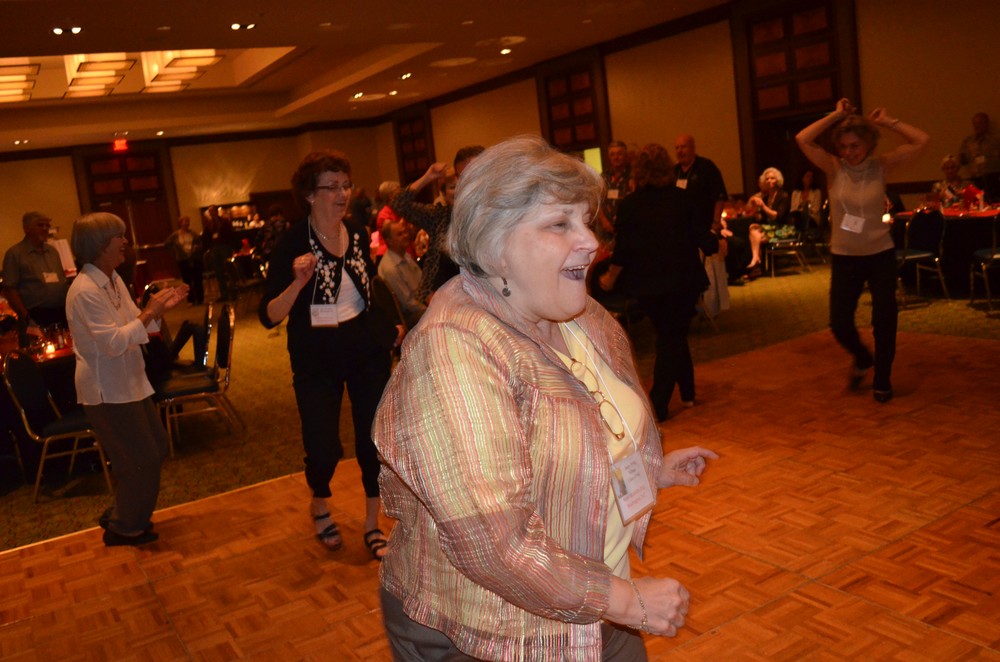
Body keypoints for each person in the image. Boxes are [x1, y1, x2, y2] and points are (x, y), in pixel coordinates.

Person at [373, 135, 718, 661]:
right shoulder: (454, 350)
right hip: (486, 629)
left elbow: (574, 435)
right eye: (560, 224)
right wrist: (626, 601)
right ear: (495, 246)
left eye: (586, 220)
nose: (591, 241)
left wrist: (646, 467)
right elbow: (494, 543)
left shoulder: (577, 313)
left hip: (586, 596)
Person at [259, 150, 398, 560]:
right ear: (309, 194)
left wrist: (390, 325)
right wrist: (298, 283)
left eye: (346, 185)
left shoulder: (356, 232)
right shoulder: (291, 244)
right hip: (316, 355)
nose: (342, 194)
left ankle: (372, 523)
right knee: (323, 449)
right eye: (332, 187)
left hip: (365, 348)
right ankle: (320, 502)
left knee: (373, 441)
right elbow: (269, 315)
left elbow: (369, 284)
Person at [65, 212, 189, 546]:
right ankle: (123, 526)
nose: (125, 242)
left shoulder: (112, 280)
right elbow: (113, 343)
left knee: (155, 447)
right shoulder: (84, 290)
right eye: (118, 236)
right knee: (139, 458)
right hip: (106, 389)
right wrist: (150, 312)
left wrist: (159, 310)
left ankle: (123, 513)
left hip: (130, 381)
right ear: (99, 244)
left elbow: (135, 325)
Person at [796, 98, 929, 403]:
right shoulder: (833, 167)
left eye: (854, 145)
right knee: (839, 323)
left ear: (868, 144)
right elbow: (803, 139)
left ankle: (883, 379)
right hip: (845, 257)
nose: (848, 152)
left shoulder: (881, 166)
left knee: (885, 320)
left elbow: (922, 140)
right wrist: (836, 115)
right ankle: (863, 357)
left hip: (880, 254)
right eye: (843, 146)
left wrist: (888, 122)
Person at [599, 143, 709, 422]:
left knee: (671, 334)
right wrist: (715, 243)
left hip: (648, 285)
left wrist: (611, 277)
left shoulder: (630, 205)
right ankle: (659, 405)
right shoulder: (682, 199)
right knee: (672, 336)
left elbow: (623, 249)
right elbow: (701, 236)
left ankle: (687, 393)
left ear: (638, 170)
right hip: (683, 281)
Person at [391, 145, 484, 303]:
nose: (459, 188)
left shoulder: (489, 215)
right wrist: (428, 176)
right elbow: (399, 204)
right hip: (436, 297)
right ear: (444, 193)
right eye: (453, 186)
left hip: (475, 299)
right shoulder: (439, 216)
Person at [2, 211, 69, 345]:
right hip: (34, 317)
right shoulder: (15, 254)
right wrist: (26, 317)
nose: (45, 229)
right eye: (40, 225)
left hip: (60, 314)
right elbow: (9, 290)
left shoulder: (52, 252)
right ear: (26, 229)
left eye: (47, 225)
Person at [377, 219, 425, 328]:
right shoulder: (390, 268)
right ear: (389, 241)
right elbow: (408, 303)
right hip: (409, 316)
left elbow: (422, 281)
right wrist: (433, 308)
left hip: (421, 303)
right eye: (399, 234)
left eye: (404, 232)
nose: (405, 236)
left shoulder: (404, 255)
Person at [746, 167, 791, 272]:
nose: (769, 181)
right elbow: (763, 218)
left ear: (777, 180)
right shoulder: (766, 197)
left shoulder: (783, 195)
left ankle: (757, 265)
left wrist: (763, 206)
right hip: (770, 228)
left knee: (755, 239)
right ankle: (756, 260)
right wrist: (756, 211)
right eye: (767, 179)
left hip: (783, 228)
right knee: (753, 228)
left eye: (772, 178)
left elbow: (777, 216)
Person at [958, 112, 1000, 199]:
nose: (977, 126)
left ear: (986, 124)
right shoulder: (968, 142)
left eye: (980, 123)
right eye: (975, 124)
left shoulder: (996, 141)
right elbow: (961, 160)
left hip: (994, 179)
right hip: (976, 180)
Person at [598, 140, 634, 240]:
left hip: (628, 228)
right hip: (606, 229)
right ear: (609, 157)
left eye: (619, 154)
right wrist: (604, 221)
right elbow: (597, 201)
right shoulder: (604, 177)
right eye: (612, 154)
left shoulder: (633, 176)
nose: (616, 157)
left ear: (625, 156)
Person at [165, 215, 204, 304]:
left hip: (194, 258)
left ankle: (200, 298)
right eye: (185, 222)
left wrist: (196, 248)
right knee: (187, 280)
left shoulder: (193, 233)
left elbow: (199, 243)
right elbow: (167, 244)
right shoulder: (175, 235)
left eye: (187, 222)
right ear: (180, 223)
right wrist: (175, 253)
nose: (186, 224)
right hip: (183, 259)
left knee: (197, 278)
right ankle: (191, 299)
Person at [202, 206, 236, 301]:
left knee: (228, 269)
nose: (211, 213)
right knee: (218, 271)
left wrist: (231, 246)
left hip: (225, 246)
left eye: (212, 211)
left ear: (216, 211)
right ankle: (224, 294)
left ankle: (233, 291)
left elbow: (230, 233)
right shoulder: (209, 224)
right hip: (215, 247)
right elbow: (206, 236)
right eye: (210, 212)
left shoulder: (224, 221)